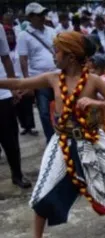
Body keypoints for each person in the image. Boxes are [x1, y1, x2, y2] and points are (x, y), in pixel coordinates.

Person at [0, 31, 105, 238]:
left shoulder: (93, 80)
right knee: (43, 189)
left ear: (71, 57)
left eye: (57, 51)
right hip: (61, 141)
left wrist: (94, 102)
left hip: (92, 138)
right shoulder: (53, 78)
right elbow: (20, 82)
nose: (54, 55)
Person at [17, 2, 57, 144]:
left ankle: (64, 137)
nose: (42, 17)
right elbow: (23, 60)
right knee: (45, 113)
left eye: (42, 14)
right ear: (30, 17)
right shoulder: (24, 35)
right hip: (39, 79)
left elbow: (59, 50)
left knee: (61, 108)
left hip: (57, 75)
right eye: (38, 15)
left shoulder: (52, 31)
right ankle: (51, 141)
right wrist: (28, 83)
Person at [0, 24, 32, 189]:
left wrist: (13, 87)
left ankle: (17, 174)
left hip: (2, 92)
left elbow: (5, 57)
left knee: (10, 137)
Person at [5, 25, 38, 136]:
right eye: (7, 35)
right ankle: (24, 126)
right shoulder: (4, 52)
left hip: (22, 79)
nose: (9, 37)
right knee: (17, 105)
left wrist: (27, 78)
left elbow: (25, 62)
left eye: (11, 34)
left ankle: (30, 126)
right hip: (11, 81)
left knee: (27, 104)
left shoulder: (20, 47)